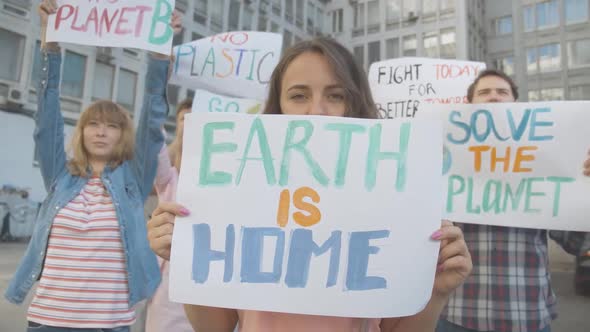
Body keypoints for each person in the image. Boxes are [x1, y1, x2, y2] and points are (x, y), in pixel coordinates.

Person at [147, 37, 473, 332]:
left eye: (335, 95)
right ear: (279, 107)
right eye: (299, 95)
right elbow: (214, 327)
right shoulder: (238, 195)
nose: (316, 111)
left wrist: (435, 293)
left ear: (355, 104)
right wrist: (186, 259)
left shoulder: (393, 197)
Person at [3, 1, 178, 331]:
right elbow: (47, 114)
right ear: (81, 131)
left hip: (108, 324)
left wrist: (159, 54)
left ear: (123, 134)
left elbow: (153, 113)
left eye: (111, 125)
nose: (101, 130)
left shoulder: (134, 179)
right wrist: (49, 43)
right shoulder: (60, 175)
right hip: (47, 322)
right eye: (93, 124)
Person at [437, 69, 590, 332]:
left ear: (517, 106)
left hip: (526, 315)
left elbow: (579, 244)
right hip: (455, 314)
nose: (494, 97)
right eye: (484, 93)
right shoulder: (442, 163)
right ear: (468, 107)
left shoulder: (545, 165)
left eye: (502, 92)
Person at [145, 98, 194, 332]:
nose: (190, 123)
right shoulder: (169, 178)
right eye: (184, 118)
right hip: (169, 287)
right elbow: (153, 141)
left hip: (210, 283)